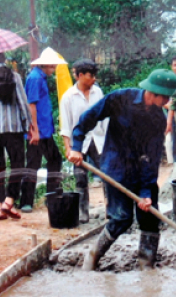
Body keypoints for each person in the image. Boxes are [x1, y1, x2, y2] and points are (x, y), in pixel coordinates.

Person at [68, 69, 176, 270]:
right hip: (116, 168)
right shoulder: (120, 98)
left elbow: (152, 158)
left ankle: (147, 267)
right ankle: (91, 260)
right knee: (121, 218)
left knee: (150, 217)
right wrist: (76, 147)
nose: (167, 102)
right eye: (165, 98)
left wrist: (146, 192)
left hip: (142, 170)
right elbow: (88, 118)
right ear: (154, 93)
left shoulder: (158, 119)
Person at [0, 53, 34, 220]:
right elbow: (23, 103)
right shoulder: (15, 77)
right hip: (13, 129)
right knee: (17, 164)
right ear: (3, 59)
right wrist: (29, 125)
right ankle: (9, 201)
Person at [59, 59, 107, 223]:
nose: (94, 79)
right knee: (80, 178)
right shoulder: (68, 97)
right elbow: (66, 125)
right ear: (80, 76)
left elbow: (104, 118)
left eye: (95, 75)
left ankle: (111, 209)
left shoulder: (97, 93)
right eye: (90, 76)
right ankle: (83, 212)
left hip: (98, 139)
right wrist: (68, 148)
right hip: (78, 144)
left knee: (106, 175)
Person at [20, 47, 67, 213]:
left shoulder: (40, 77)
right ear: (46, 65)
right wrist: (35, 130)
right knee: (34, 163)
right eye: (52, 66)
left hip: (45, 130)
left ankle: (51, 196)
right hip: (38, 130)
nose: (53, 69)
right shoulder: (35, 78)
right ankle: (27, 201)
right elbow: (31, 104)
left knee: (53, 160)